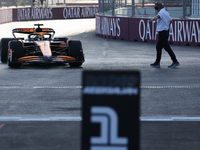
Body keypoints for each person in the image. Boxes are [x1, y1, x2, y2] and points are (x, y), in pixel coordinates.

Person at [149, 1, 180, 68]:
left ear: (158, 7)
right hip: (165, 32)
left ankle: (175, 61)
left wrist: (152, 20)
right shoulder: (166, 12)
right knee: (158, 47)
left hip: (162, 33)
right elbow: (171, 21)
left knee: (167, 48)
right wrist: (165, 25)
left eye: (156, 5)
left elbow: (157, 17)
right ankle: (157, 62)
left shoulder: (161, 13)